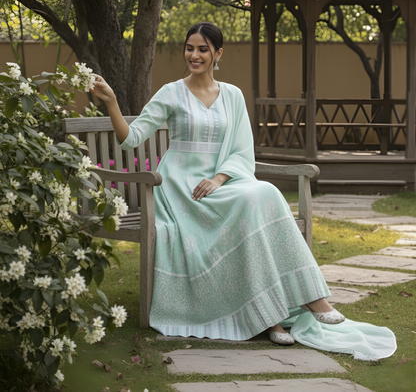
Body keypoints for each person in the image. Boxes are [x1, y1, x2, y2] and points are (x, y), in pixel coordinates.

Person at [91, 22, 396, 358]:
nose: (194, 55)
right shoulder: (170, 92)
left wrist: (220, 178)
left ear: (217, 54)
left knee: (263, 193)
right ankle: (275, 317)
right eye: (190, 47)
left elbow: (241, 150)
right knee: (255, 199)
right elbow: (131, 139)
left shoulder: (232, 95)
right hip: (181, 191)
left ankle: (294, 306)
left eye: (203, 49)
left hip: (220, 183)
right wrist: (113, 103)